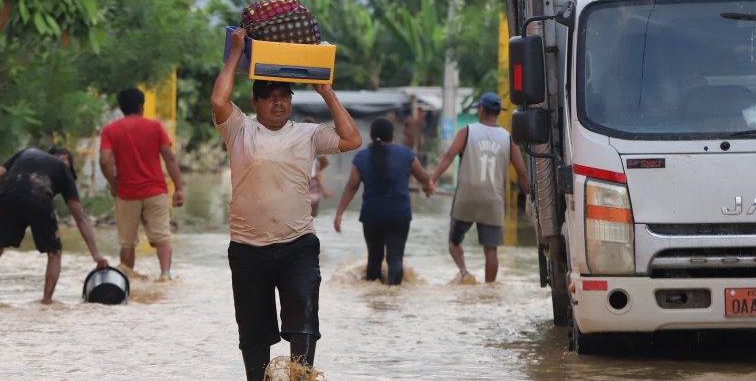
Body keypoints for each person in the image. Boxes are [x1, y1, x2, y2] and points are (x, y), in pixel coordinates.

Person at [212, 27, 362, 381]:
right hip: (248, 249)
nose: (278, 102)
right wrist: (236, 52)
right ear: (255, 103)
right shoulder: (239, 130)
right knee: (253, 335)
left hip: (298, 247)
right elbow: (219, 101)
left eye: (285, 95)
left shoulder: (307, 133)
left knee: (304, 324)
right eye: (270, 96)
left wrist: (326, 92)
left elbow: (351, 138)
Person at [0, 146, 108, 304]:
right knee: (54, 253)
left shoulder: (26, 152)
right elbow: (80, 217)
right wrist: (96, 254)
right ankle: (46, 303)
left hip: (6, 196)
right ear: (65, 158)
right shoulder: (63, 168)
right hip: (39, 196)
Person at [430, 92, 530, 283]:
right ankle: (489, 289)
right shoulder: (508, 138)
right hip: (493, 201)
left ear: (482, 110)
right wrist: (531, 199)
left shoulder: (467, 131)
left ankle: (464, 272)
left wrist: (432, 180)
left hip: (465, 199)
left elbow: (449, 156)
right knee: (491, 251)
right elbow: (522, 172)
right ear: (498, 112)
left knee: (454, 242)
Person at [333, 118, 434, 285]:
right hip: (399, 215)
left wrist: (339, 213)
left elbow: (351, 186)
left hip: (372, 216)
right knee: (395, 258)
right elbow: (423, 176)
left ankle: (374, 302)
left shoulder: (361, 157)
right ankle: (393, 299)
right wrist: (427, 187)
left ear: (371, 136)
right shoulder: (407, 154)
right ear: (392, 135)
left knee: (374, 258)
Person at [99, 87, 186, 281]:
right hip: (155, 191)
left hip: (127, 193)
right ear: (141, 106)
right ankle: (165, 275)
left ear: (121, 108)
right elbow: (169, 158)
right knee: (162, 237)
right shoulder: (155, 127)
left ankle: (126, 280)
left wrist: (113, 183)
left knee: (127, 243)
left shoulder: (110, 130)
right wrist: (178, 188)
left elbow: (104, 160)